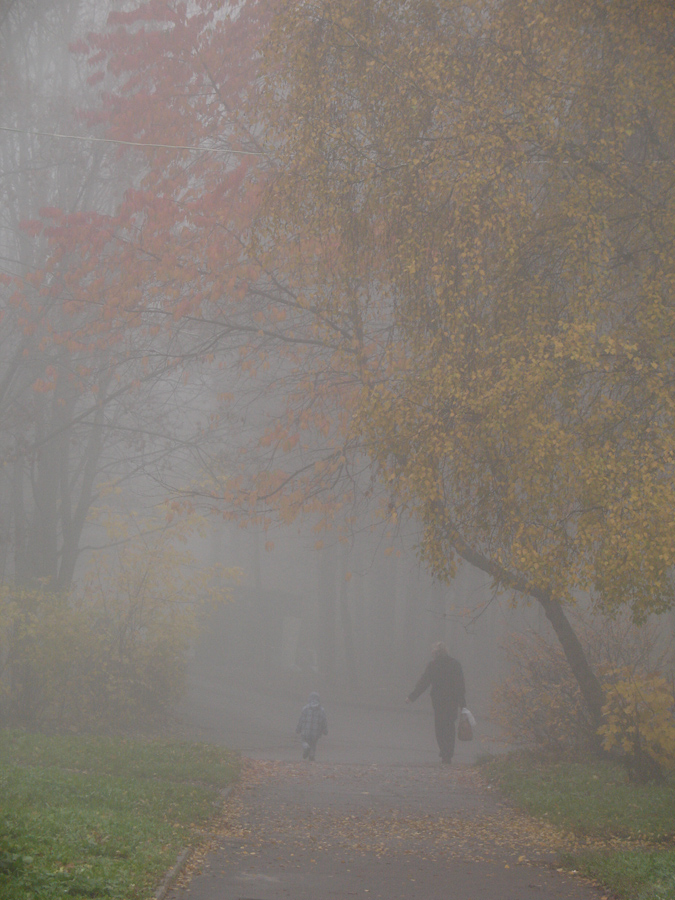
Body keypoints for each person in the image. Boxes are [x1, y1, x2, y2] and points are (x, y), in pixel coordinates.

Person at [406, 642, 466, 764]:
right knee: (450, 726)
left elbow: (423, 683)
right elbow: (460, 685)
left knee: (440, 727)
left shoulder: (433, 665)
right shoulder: (455, 664)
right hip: (452, 701)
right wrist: (463, 705)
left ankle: (444, 751)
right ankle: (448, 753)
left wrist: (412, 697)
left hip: (438, 701)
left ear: (435, 653)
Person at [295, 691, 328, 761]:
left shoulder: (305, 708)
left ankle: (306, 747)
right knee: (313, 744)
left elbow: (301, 720)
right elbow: (324, 721)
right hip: (316, 732)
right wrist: (325, 730)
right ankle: (311, 756)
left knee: (304, 740)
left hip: (305, 731)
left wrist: (298, 729)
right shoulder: (321, 710)